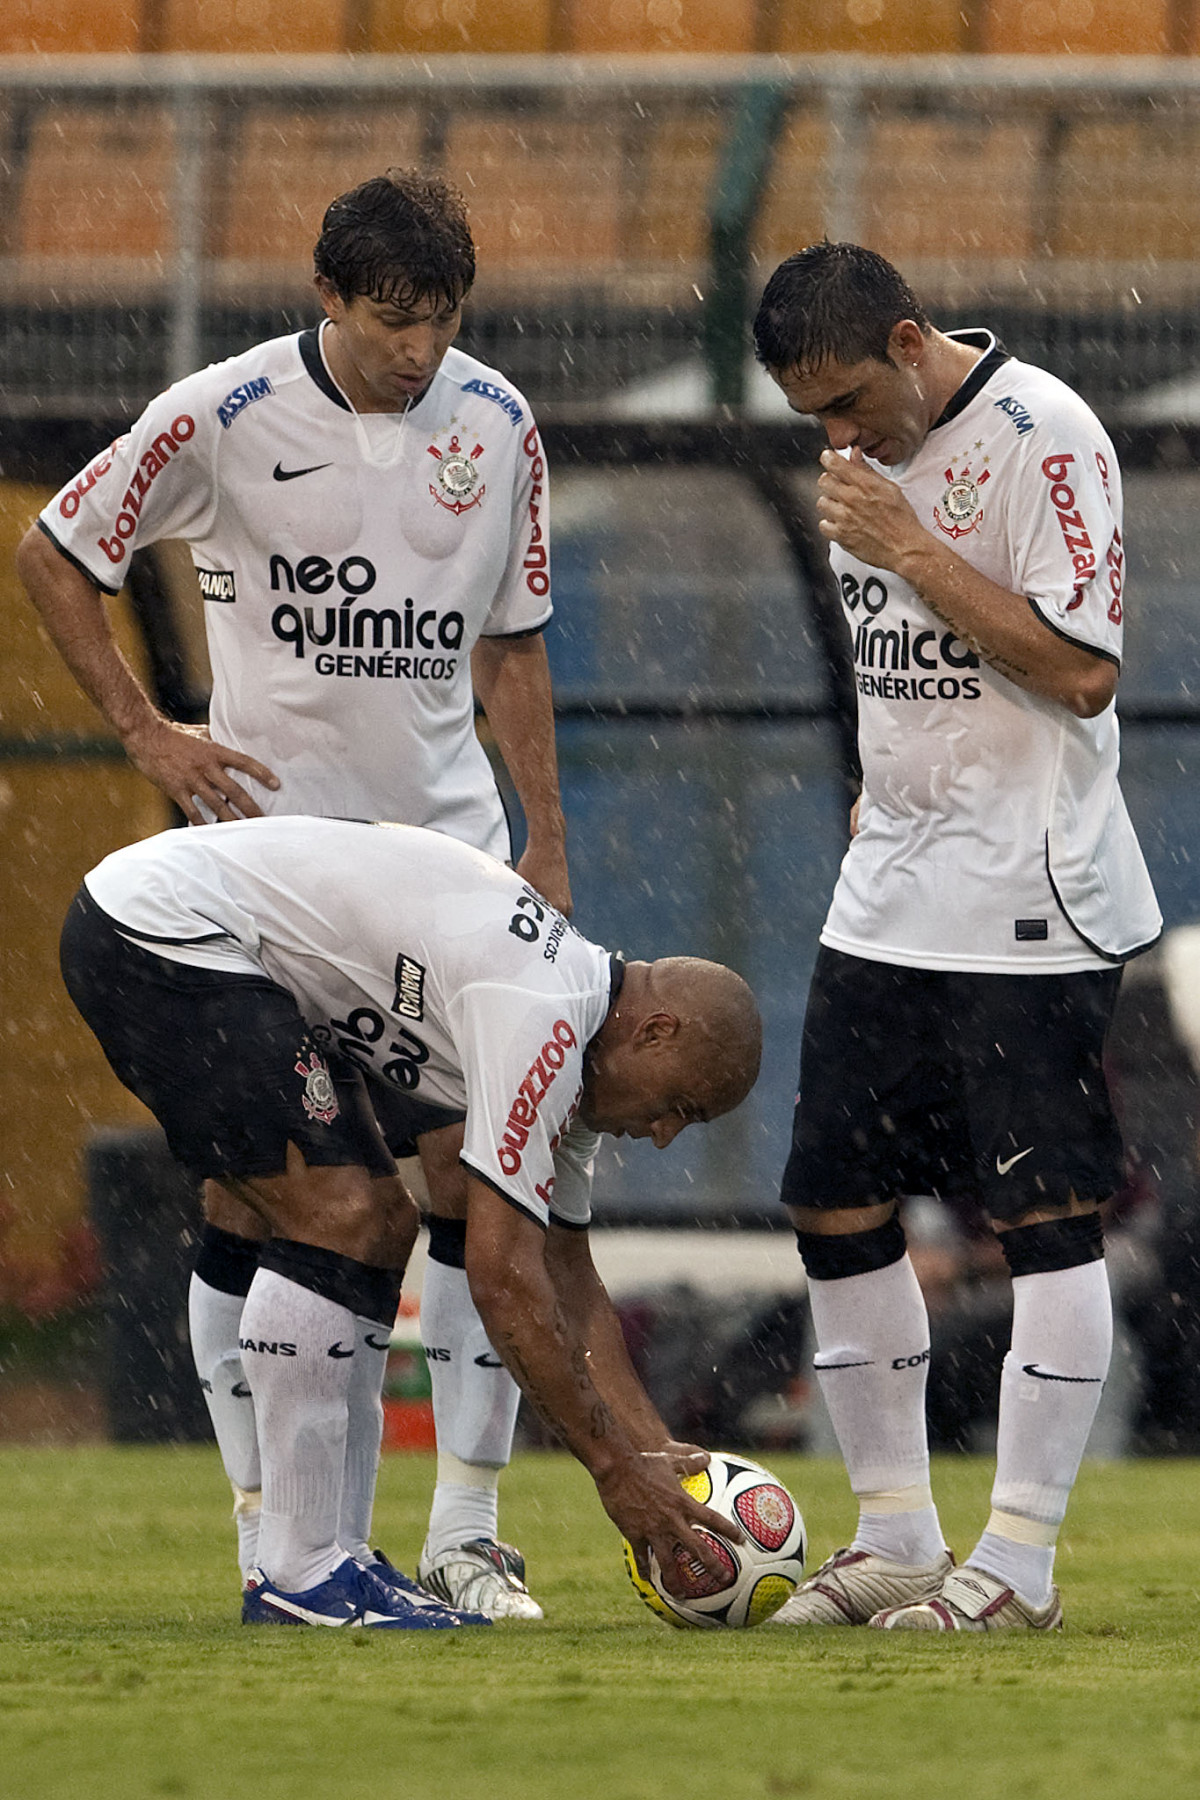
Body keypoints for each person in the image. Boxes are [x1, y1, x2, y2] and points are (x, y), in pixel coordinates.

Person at [17, 170, 570, 1619]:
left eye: (442, 320)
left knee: (477, 1177)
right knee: (264, 1200)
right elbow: (55, 553)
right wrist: (144, 730)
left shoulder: (499, 422)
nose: (419, 349)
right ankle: (271, 1523)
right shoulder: (223, 413)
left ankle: (466, 1531)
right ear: (329, 297)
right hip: (272, 881)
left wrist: (545, 838)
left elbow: (515, 645)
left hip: (442, 866)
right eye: (393, 320)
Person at [59, 815, 762, 1627]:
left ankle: (335, 1561)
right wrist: (611, 1471)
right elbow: (504, 1283)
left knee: (382, 1223)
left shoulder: (571, 1032)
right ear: (657, 1030)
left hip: (187, 933)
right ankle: (297, 1570)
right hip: (159, 931)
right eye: (681, 1105)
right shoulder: (538, 1012)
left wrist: (649, 1450)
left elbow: (567, 1274)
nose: (665, 1131)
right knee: (346, 1213)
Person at [751, 243, 1161, 1632]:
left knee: (1043, 1218)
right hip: (894, 886)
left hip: (1030, 895)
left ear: (912, 337)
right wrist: (892, 775)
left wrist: (912, 547)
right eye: (814, 417)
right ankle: (901, 1540)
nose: (840, 436)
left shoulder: (1048, 437)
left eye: (854, 400)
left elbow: (1085, 670)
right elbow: (907, 668)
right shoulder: (861, 473)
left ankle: (1023, 1567)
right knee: (832, 1200)